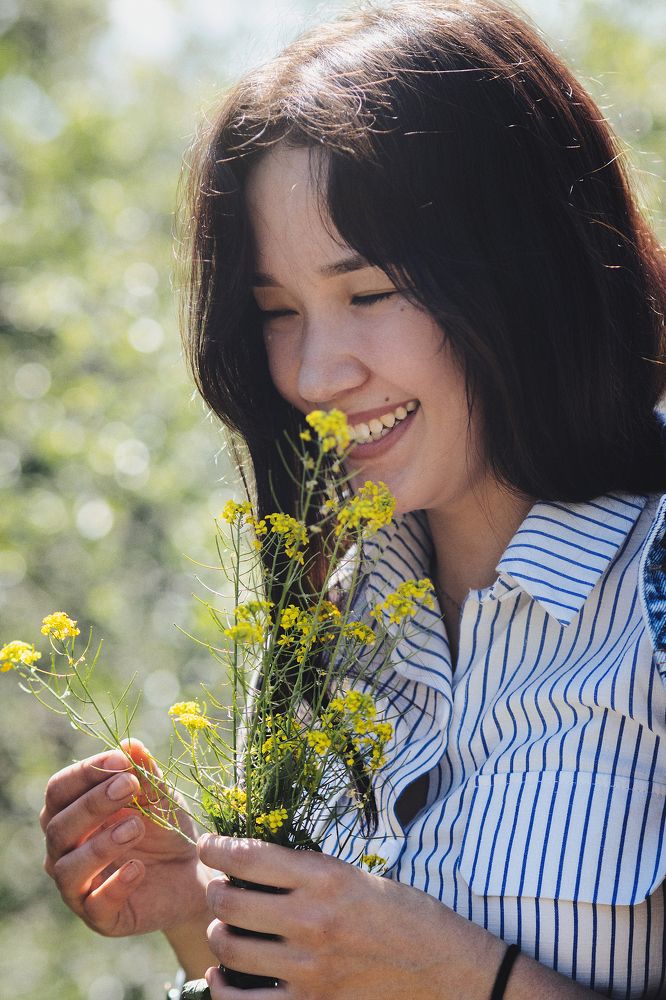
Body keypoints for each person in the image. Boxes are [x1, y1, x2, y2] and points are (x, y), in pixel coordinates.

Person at [39, 1, 666, 997]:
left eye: (368, 293)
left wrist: (459, 973)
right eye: (277, 311)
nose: (316, 373)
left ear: (527, 268)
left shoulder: (649, 600)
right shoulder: (327, 633)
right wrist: (205, 918)